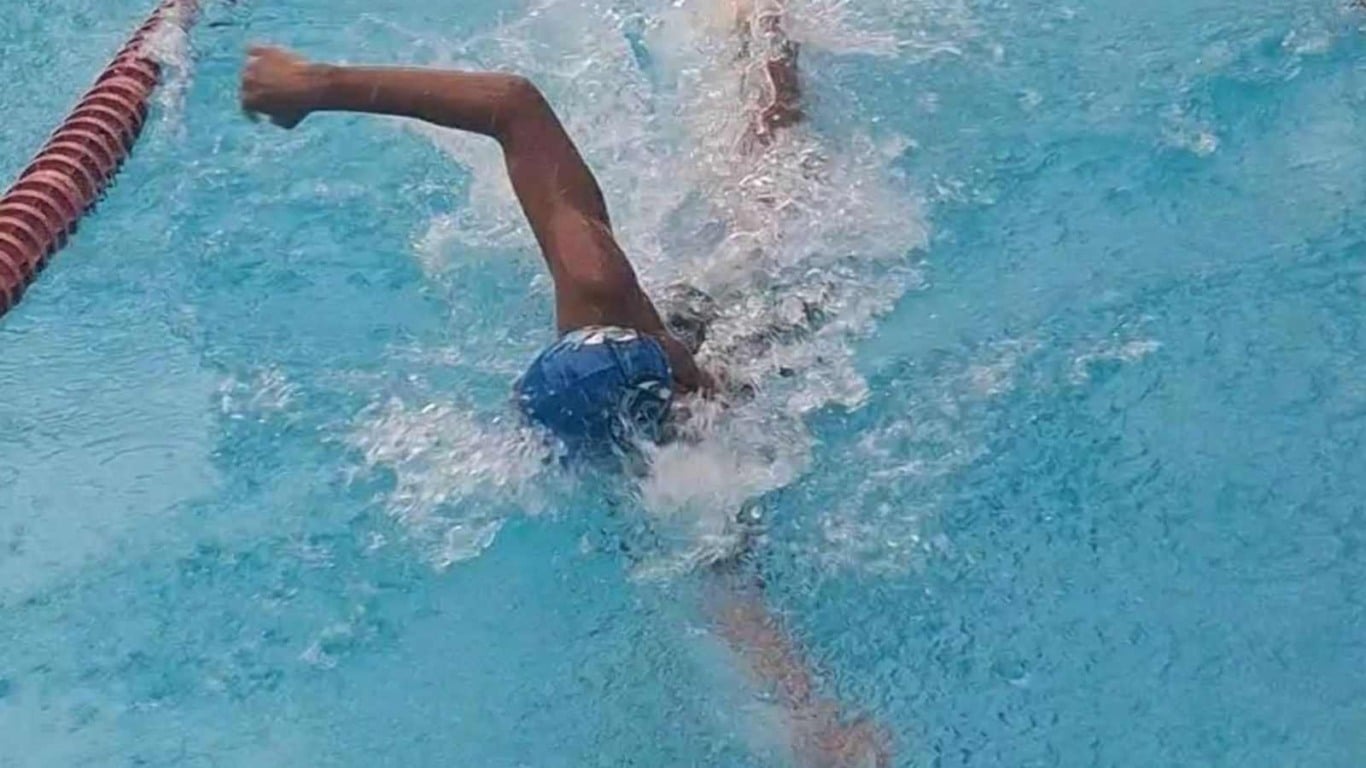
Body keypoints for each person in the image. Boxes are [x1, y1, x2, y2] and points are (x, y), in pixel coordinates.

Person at [241, 1, 888, 764]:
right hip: (711, 354)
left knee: (770, 180)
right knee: (771, 220)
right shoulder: (669, 433)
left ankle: (770, 29)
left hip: (720, 314)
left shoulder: (597, 286)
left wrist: (321, 84)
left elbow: (513, 104)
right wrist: (816, 724)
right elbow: (734, 597)